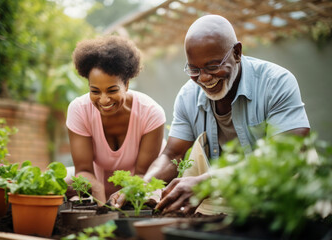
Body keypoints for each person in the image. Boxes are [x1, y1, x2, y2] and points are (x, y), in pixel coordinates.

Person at [109, 14, 310, 213]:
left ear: (237, 53)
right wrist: (142, 185)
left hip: (285, 199)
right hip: (230, 200)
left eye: (213, 66)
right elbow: (173, 154)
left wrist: (207, 182)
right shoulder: (188, 96)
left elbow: (284, 156)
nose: (204, 78)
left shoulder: (275, 83)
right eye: (194, 69)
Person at [66, 35, 166, 204]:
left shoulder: (150, 112)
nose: (104, 100)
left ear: (126, 84)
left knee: (152, 199)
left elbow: (142, 174)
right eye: (95, 91)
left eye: (112, 90)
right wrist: (99, 194)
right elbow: (83, 170)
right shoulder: (79, 110)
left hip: (139, 184)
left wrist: (126, 195)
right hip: (97, 181)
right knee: (57, 182)